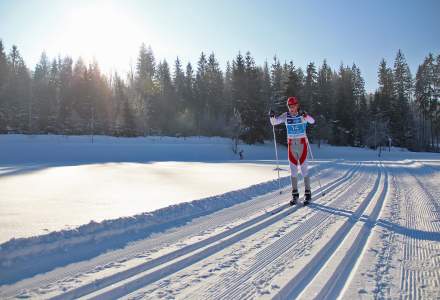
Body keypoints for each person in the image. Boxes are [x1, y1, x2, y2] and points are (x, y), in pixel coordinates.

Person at [270, 96, 315, 205]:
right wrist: (271, 117)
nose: (292, 108)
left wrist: (306, 115)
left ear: (297, 105)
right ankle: (295, 195)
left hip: (302, 145)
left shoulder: (302, 115)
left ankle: (308, 194)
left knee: (304, 171)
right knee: (293, 171)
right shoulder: (286, 116)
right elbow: (274, 122)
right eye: (290, 106)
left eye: (294, 106)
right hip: (291, 146)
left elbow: (312, 121)